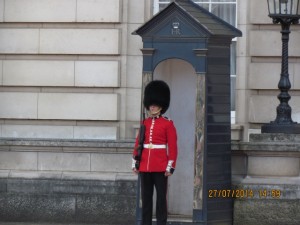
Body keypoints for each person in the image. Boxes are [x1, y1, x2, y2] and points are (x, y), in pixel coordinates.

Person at [132, 80, 178, 225]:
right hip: (145, 166)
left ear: (161, 105)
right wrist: (135, 162)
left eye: (155, 104)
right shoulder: (145, 123)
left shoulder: (168, 124)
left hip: (160, 167)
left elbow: (173, 147)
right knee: (146, 200)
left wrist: (170, 165)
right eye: (150, 104)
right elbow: (138, 143)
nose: (152, 106)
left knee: (160, 200)